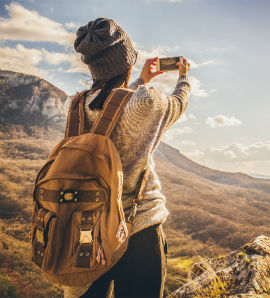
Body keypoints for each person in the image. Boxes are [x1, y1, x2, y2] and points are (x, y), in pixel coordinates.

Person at [63, 17, 190, 298]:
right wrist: (183, 76)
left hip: (84, 231)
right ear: (128, 60)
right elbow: (178, 103)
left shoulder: (73, 106)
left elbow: (112, 105)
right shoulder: (146, 102)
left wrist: (140, 79)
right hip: (138, 231)